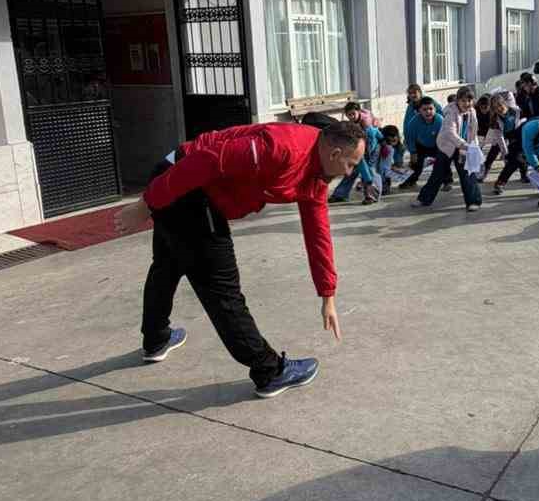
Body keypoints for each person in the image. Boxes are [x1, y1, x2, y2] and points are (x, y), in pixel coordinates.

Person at [115, 118, 365, 397]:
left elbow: (318, 232)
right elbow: (206, 162)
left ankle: (156, 339)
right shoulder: (282, 148)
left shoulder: (317, 176)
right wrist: (147, 204)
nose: (351, 172)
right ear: (334, 154)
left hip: (185, 184)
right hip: (187, 183)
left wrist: (327, 293)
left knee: (168, 263)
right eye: (351, 164)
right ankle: (269, 370)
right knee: (222, 290)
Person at [415, 86, 483, 210]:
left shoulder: (472, 111)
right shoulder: (450, 112)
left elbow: (473, 131)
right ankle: (423, 199)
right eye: (463, 101)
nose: (466, 104)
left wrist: (474, 146)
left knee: (468, 172)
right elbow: (450, 133)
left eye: (469, 101)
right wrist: (466, 146)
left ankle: (474, 202)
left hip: (463, 147)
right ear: (457, 100)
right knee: (438, 174)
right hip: (447, 146)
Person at [494, 110, 539, 192]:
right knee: (515, 160)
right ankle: (500, 182)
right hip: (518, 141)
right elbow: (528, 149)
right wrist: (536, 165)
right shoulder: (531, 127)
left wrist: (537, 156)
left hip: (537, 145)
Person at [404, 94, 443, 183]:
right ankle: (411, 181)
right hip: (420, 145)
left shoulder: (440, 120)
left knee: (443, 161)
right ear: (419, 111)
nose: (428, 112)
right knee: (416, 165)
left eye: (430, 109)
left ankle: (447, 181)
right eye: (424, 109)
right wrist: (413, 152)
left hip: (436, 144)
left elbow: (445, 136)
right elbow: (410, 138)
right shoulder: (414, 122)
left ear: (435, 109)